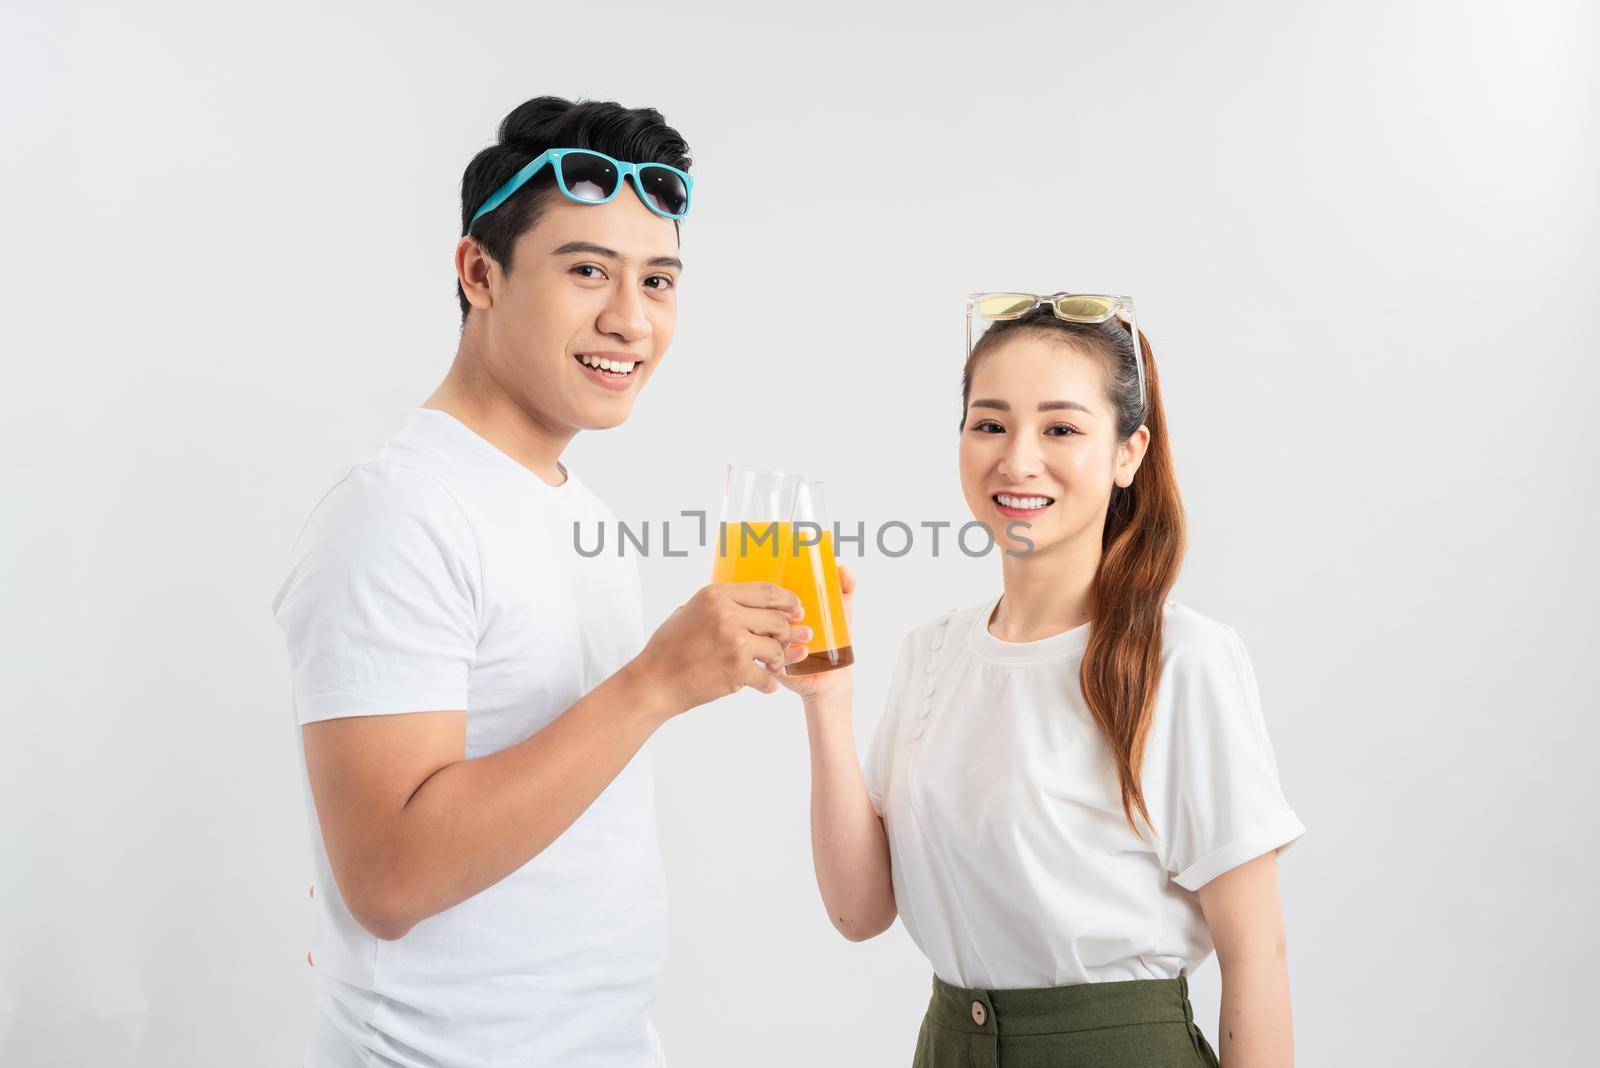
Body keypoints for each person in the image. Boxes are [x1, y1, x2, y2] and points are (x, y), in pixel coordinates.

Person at [271, 96, 809, 1067]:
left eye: (658, 280)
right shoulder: (397, 511)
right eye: (588, 271)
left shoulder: (581, 514)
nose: (630, 320)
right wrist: (655, 684)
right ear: (479, 273)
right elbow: (386, 881)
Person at [785, 294, 1306, 1067]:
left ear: (1129, 453)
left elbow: (1255, 954)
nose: (1017, 458)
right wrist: (827, 701)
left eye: (1061, 428)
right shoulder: (932, 654)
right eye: (990, 423)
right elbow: (858, 913)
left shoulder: (1184, 658)